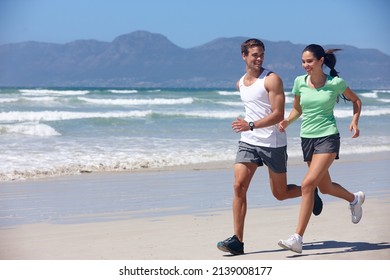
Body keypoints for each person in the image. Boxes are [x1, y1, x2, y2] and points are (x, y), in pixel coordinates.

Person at [217, 39, 323, 255]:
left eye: (261, 54)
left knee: (280, 193)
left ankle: (312, 193)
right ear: (244, 56)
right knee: (239, 186)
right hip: (249, 141)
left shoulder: (272, 80)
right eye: (254, 55)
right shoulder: (240, 83)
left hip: (272, 143)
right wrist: (248, 128)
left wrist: (251, 125)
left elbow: (278, 114)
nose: (259, 58)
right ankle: (237, 241)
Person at [277, 44, 365, 254]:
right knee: (324, 187)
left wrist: (354, 120)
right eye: (303, 61)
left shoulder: (335, 83)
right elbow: (297, 109)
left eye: (309, 61)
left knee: (308, 184)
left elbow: (356, 100)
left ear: (320, 61)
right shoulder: (299, 82)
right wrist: (286, 122)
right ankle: (355, 199)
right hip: (307, 139)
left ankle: (297, 238)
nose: (305, 65)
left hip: (328, 137)